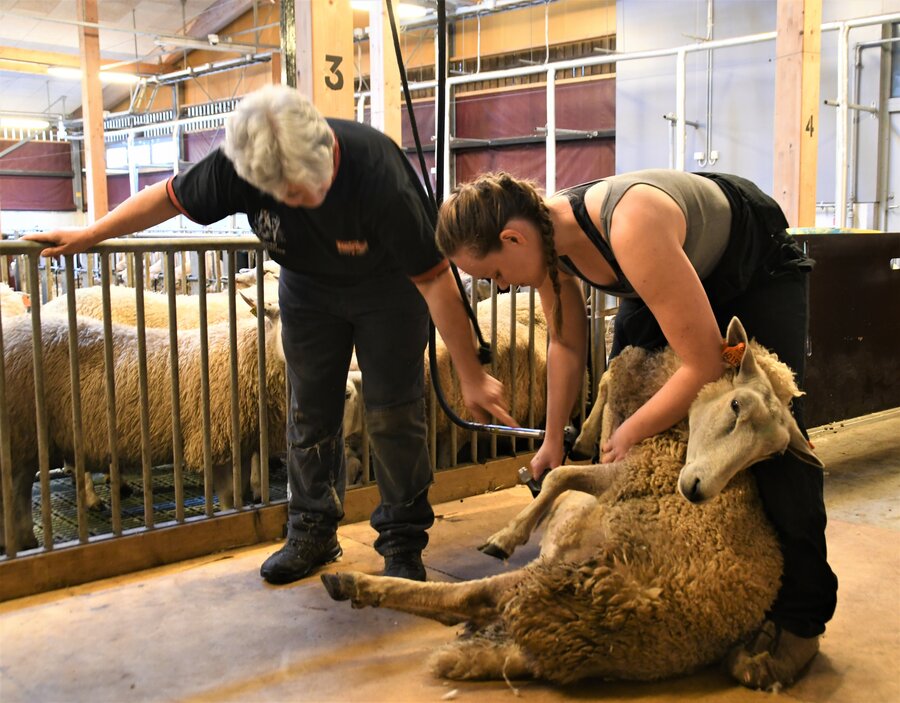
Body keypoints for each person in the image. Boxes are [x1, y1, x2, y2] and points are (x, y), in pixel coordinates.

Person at [23, 84, 515, 585]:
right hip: (306, 289)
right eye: (287, 196)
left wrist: (471, 375)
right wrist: (91, 233)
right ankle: (312, 531)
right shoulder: (237, 164)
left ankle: (402, 544)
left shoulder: (377, 172)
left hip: (389, 291)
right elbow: (168, 198)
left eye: (308, 185)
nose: (304, 200)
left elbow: (435, 280)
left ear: (325, 146)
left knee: (394, 415)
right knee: (309, 412)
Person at [434, 169, 838, 691]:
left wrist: (631, 433)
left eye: (492, 274)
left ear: (512, 238)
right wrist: (555, 438)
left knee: (763, 422)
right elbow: (565, 345)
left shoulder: (630, 226)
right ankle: (666, 573)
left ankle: (802, 617)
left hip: (754, 266)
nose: (501, 287)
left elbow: (704, 363)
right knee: (627, 388)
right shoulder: (548, 242)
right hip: (664, 275)